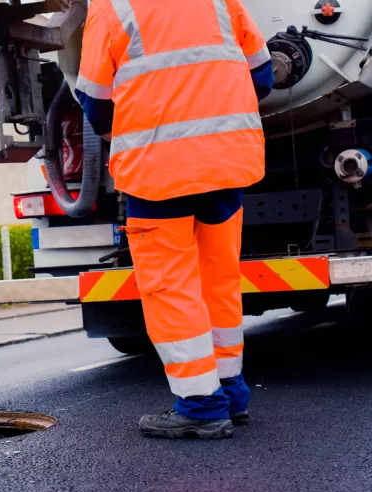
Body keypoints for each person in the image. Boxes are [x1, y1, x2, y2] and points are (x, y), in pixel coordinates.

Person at [75, 0, 274, 439]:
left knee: (170, 287)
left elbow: (95, 103)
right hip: (226, 163)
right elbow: (262, 76)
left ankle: (201, 406)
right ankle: (230, 391)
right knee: (219, 279)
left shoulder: (111, 8)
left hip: (157, 172)